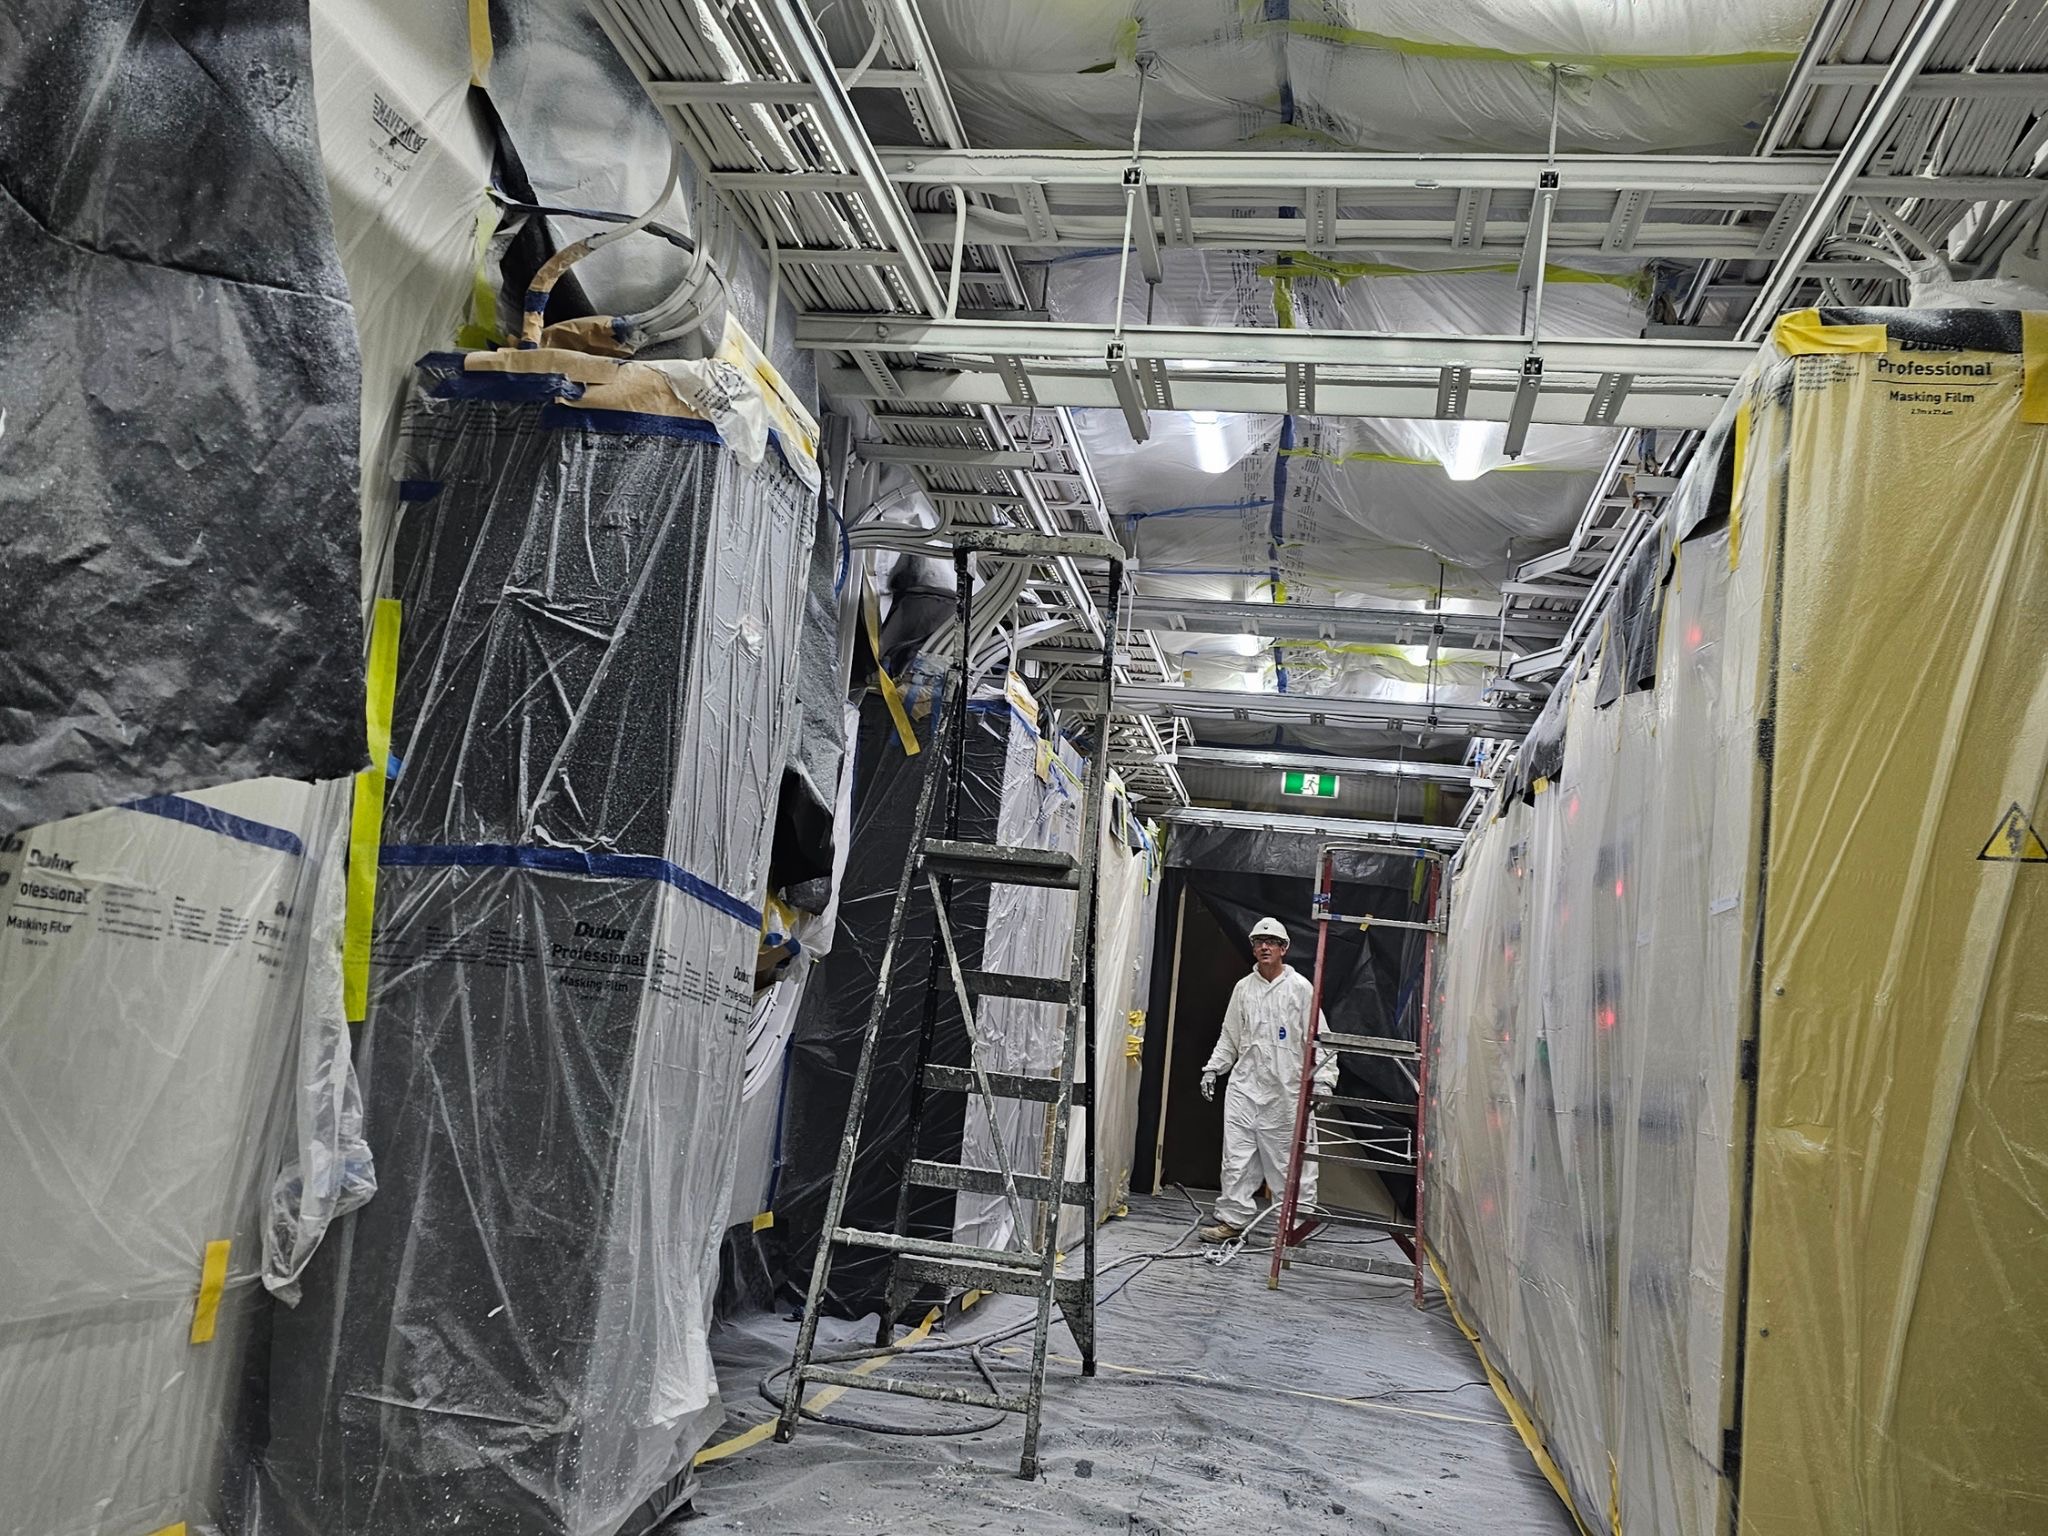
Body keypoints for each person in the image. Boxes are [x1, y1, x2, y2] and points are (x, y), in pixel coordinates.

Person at [1197, 916, 1336, 1243]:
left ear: (1283, 948)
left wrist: (1325, 1080)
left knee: (1290, 1162)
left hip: (1286, 1091)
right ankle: (1232, 1222)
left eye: (1271, 942)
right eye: (1259, 942)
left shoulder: (1300, 989)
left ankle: (1293, 1227)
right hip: (1245, 1088)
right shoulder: (1244, 989)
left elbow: (1320, 1038)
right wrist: (1213, 1068)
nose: (1264, 947)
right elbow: (1230, 1036)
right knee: (1237, 1159)